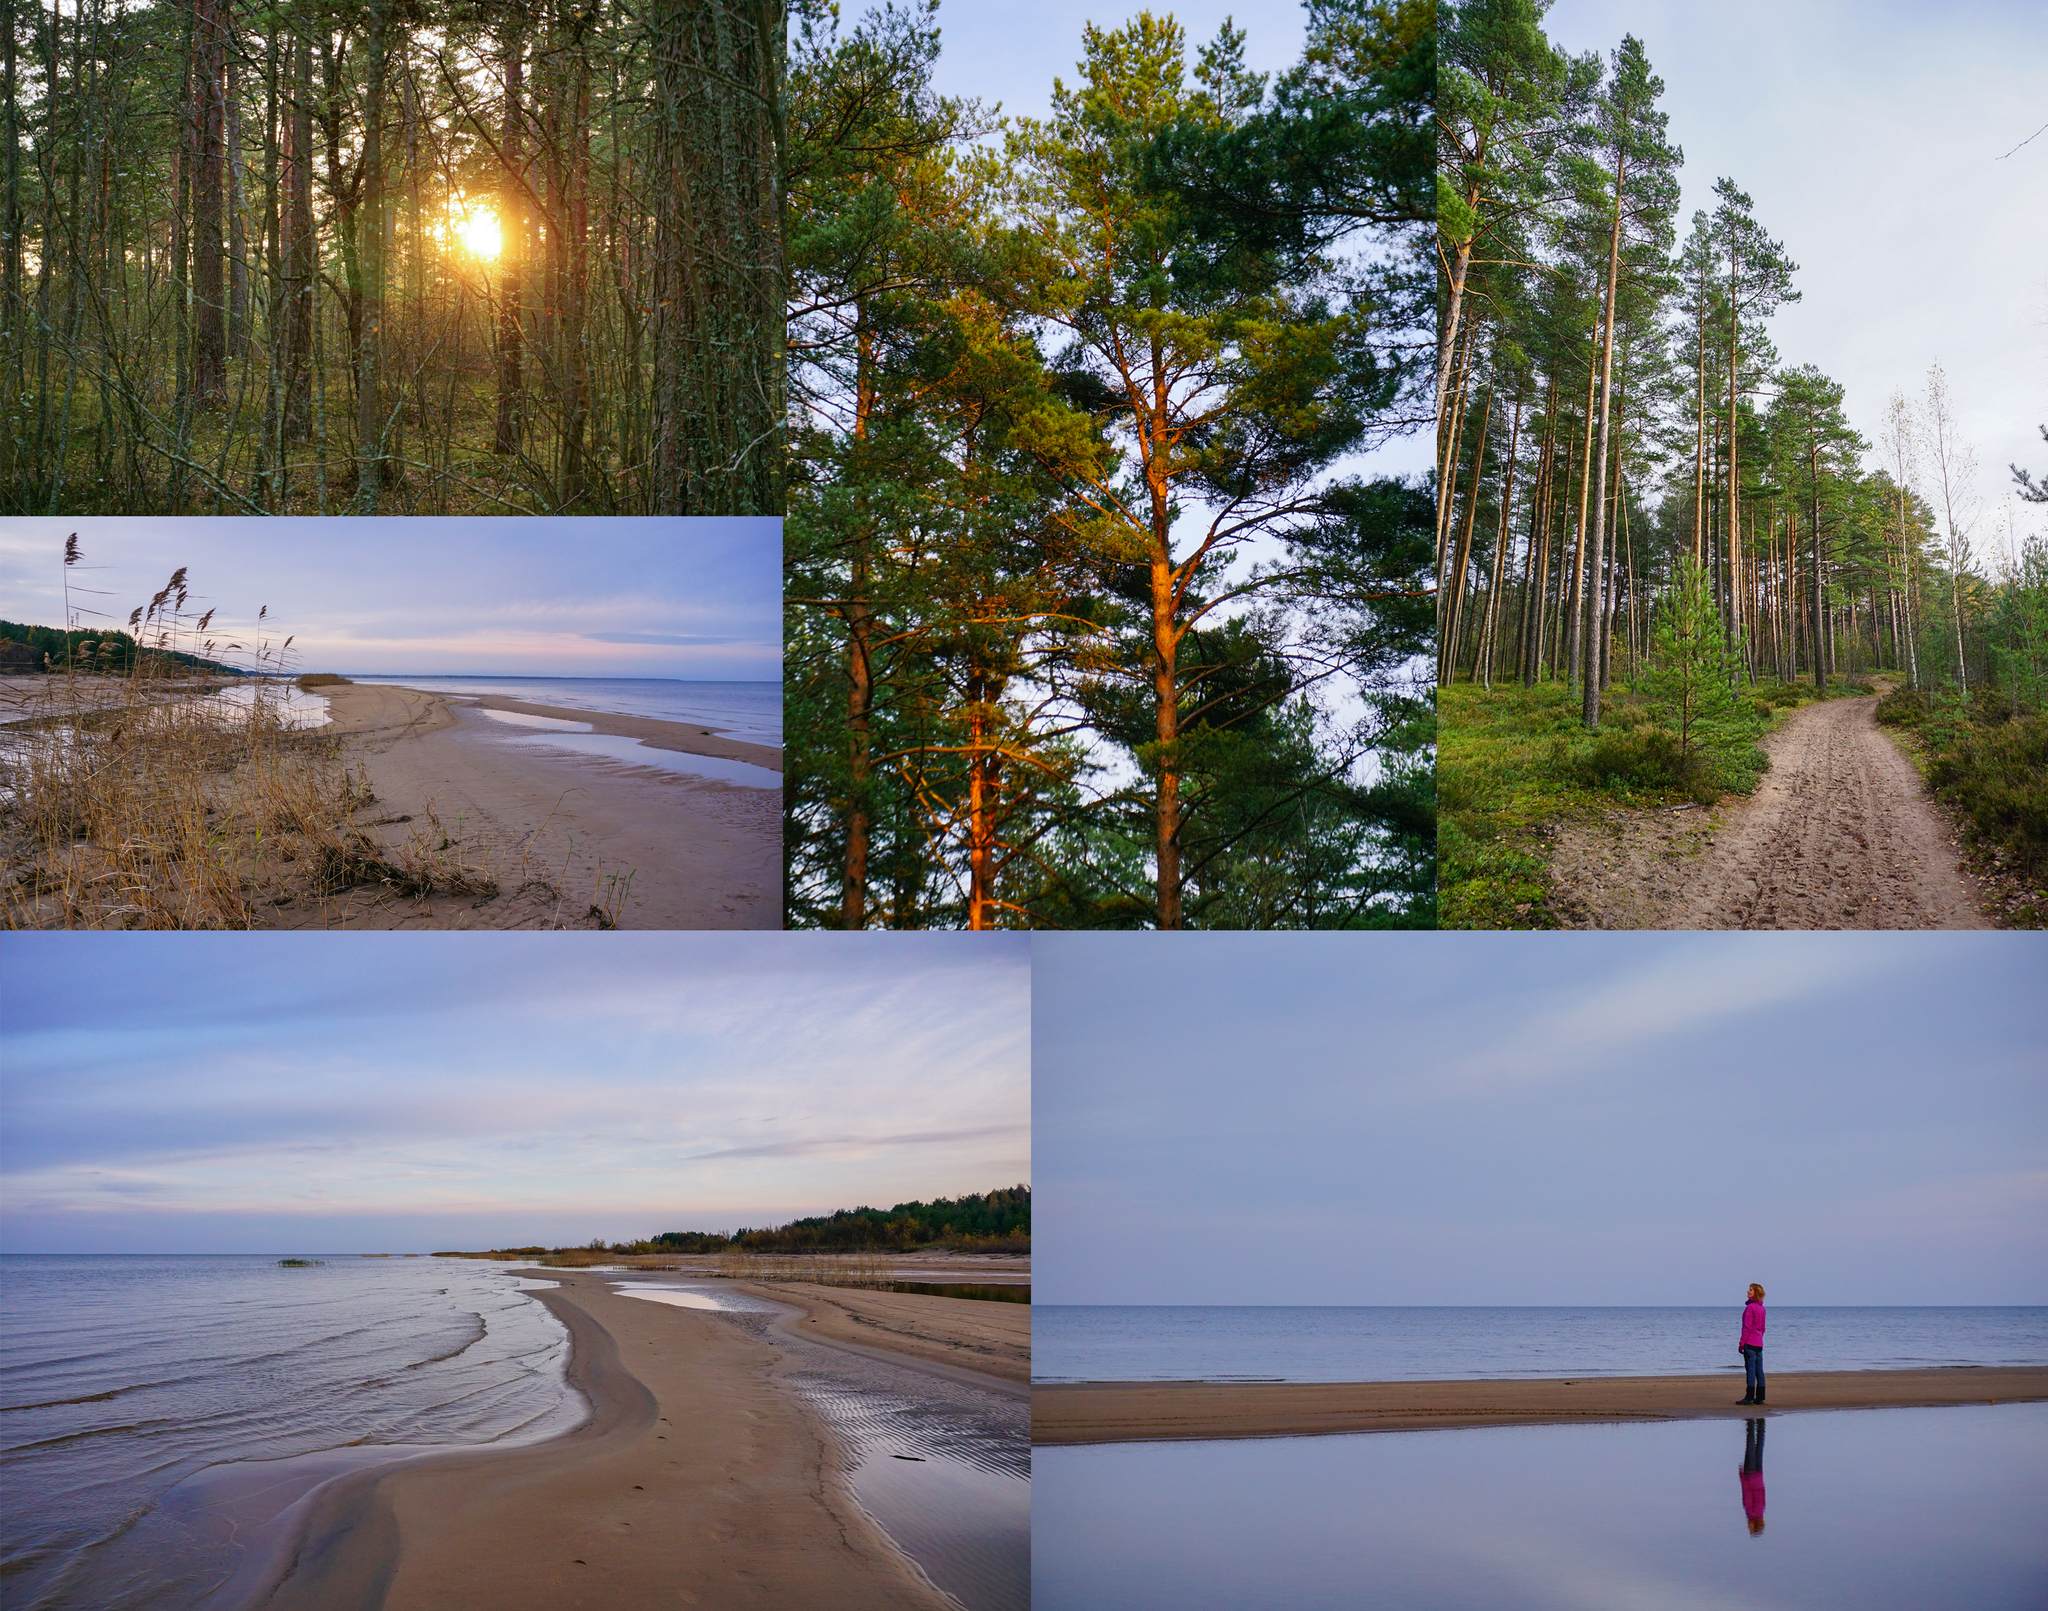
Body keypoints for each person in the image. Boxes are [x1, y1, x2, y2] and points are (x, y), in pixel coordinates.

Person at [1738, 1283, 1766, 1405]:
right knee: (1759, 1370)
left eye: (1750, 1290)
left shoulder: (1751, 1308)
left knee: (1751, 1370)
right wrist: (1759, 1337)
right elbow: (1762, 1327)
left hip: (1750, 1342)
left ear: (1756, 1293)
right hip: (1758, 1342)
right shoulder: (1762, 1308)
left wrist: (1742, 1343)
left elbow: (1747, 1327)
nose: (1748, 1292)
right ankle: (1760, 1397)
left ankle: (1749, 1397)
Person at [1740, 1417, 1766, 1535]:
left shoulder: (1762, 1511)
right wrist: (1741, 1475)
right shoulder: (1751, 1512)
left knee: (1759, 1448)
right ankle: (1750, 1424)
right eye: (1750, 1528)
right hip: (1750, 1475)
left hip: (1759, 1475)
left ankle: (1761, 1424)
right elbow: (1747, 1492)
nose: (1747, 1526)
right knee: (1750, 1447)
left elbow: (1763, 1492)